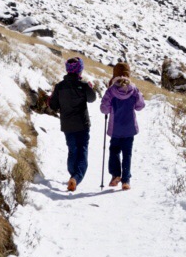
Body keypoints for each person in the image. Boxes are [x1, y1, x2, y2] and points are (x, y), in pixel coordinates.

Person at [49, 56, 97, 192]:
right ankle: (75, 178)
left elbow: (53, 105)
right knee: (82, 151)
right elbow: (92, 99)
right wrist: (90, 88)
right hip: (82, 124)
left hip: (67, 125)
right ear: (80, 70)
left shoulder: (59, 86)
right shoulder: (83, 85)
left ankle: (72, 176)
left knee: (72, 150)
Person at [100, 61, 146, 190]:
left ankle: (115, 175)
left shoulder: (111, 90)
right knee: (127, 153)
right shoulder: (134, 89)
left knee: (114, 151)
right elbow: (140, 106)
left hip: (115, 128)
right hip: (130, 128)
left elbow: (104, 109)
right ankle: (126, 181)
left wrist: (109, 109)